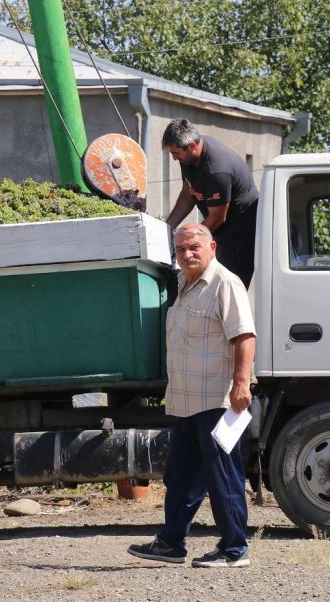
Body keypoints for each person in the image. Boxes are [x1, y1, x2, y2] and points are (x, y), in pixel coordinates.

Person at [128, 224, 256, 568]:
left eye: (194, 247)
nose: (187, 254)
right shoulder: (184, 285)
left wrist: (241, 384)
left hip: (217, 399)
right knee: (181, 477)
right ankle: (171, 543)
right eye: (181, 249)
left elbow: (244, 336)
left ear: (212, 246)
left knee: (223, 477)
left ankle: (234, 550)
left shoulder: (225, 284)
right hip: (185, 400)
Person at [164, 119, 259, 288]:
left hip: (239, 234)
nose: (174, 158)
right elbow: (188, 192)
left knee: (225, 288)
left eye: (176, 153)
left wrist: (187, 240)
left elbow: (216, 219)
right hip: (219, 230)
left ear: (192, 145)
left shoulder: (217, 170)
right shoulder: (189, 158)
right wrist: (168, 227)